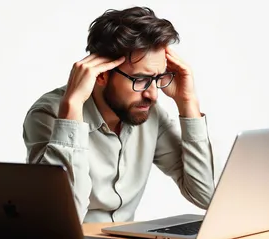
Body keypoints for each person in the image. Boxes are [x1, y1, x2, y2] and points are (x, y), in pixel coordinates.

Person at [22, 6, 215, 223]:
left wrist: (187, 102)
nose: (153, 95)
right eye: (141, 79)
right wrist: (73, 106)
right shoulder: (49, 114)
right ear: (102, 74)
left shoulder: (151, 115)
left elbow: (205, 195)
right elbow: (61, 218)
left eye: (159, 78)